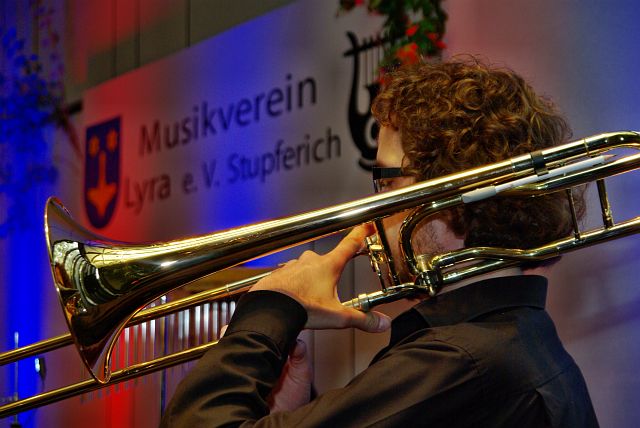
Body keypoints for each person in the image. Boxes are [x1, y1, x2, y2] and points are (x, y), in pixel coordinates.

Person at [160, 58, 599, 427]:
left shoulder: (460, 363)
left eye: (386, 182)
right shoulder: (507, 343)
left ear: (448, 197)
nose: (371, 216)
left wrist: (269, 308)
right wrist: (294, 411)